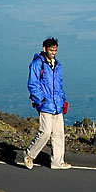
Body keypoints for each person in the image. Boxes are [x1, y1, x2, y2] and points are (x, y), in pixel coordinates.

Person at [24, 37, 71, 169]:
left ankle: (57, 161)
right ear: (45, 49)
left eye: (55, 50)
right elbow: (32, 84)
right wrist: (41, 100)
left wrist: (63, 100)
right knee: (45, 132)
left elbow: (59, 85)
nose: (53, 53)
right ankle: (29, 154)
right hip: (45, 104)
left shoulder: (57, 65)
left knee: (58, 133)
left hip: (57, 104)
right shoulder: (37, 64)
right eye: (51, 50)